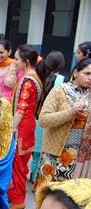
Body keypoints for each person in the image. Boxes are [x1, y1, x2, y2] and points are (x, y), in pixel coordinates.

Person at [35, 58, 91, 189]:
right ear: (76, 72)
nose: (90, 78)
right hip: (55, 155)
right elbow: (43, 119)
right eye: (87, 74)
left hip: (81, 161)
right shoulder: (60, 91)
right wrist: (70, 112)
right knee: (48, 196)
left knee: (72, 200)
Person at [7, 44, 46, 209]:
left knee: (17, 163)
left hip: (22, 127)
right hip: (29, 125)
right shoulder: (36, 78)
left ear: (26, 61)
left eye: (16, 59)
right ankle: (16, 197)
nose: (14, 62)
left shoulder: (28, 81)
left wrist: (12, 128)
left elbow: (21, 109)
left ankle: (17, 199)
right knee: (20, 163)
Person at [32, 50, 66, 178]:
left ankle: (33, 175)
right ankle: (39, 177)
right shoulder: (62, 81)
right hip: (50, 122)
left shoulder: (40, 77)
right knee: (45, 153)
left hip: (36, 119)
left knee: (35, 153)